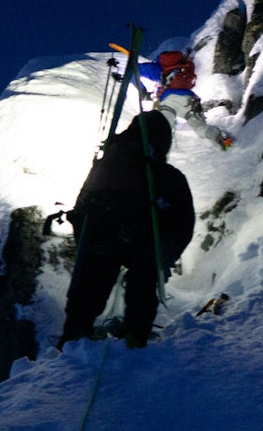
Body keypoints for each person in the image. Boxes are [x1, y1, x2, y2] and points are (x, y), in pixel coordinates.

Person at [58, 111, 195, 349]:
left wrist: (85, 240)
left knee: (92, 283)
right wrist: (166, 251)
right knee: (143, 280)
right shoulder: (164, 174)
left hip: (100, 236)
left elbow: (83, 206)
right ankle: (134, 337)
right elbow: (184, 221)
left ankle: (73, 338)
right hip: (141, 239)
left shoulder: (105, 166)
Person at [138, 47, 233, 150]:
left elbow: (134, 70)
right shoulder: (185, 65)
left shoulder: (158, 68)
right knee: (200, 128)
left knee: (164, 128)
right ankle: (220, 137)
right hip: (190, 100)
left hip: (169, 101)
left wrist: (143, 91)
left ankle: (152, 151)